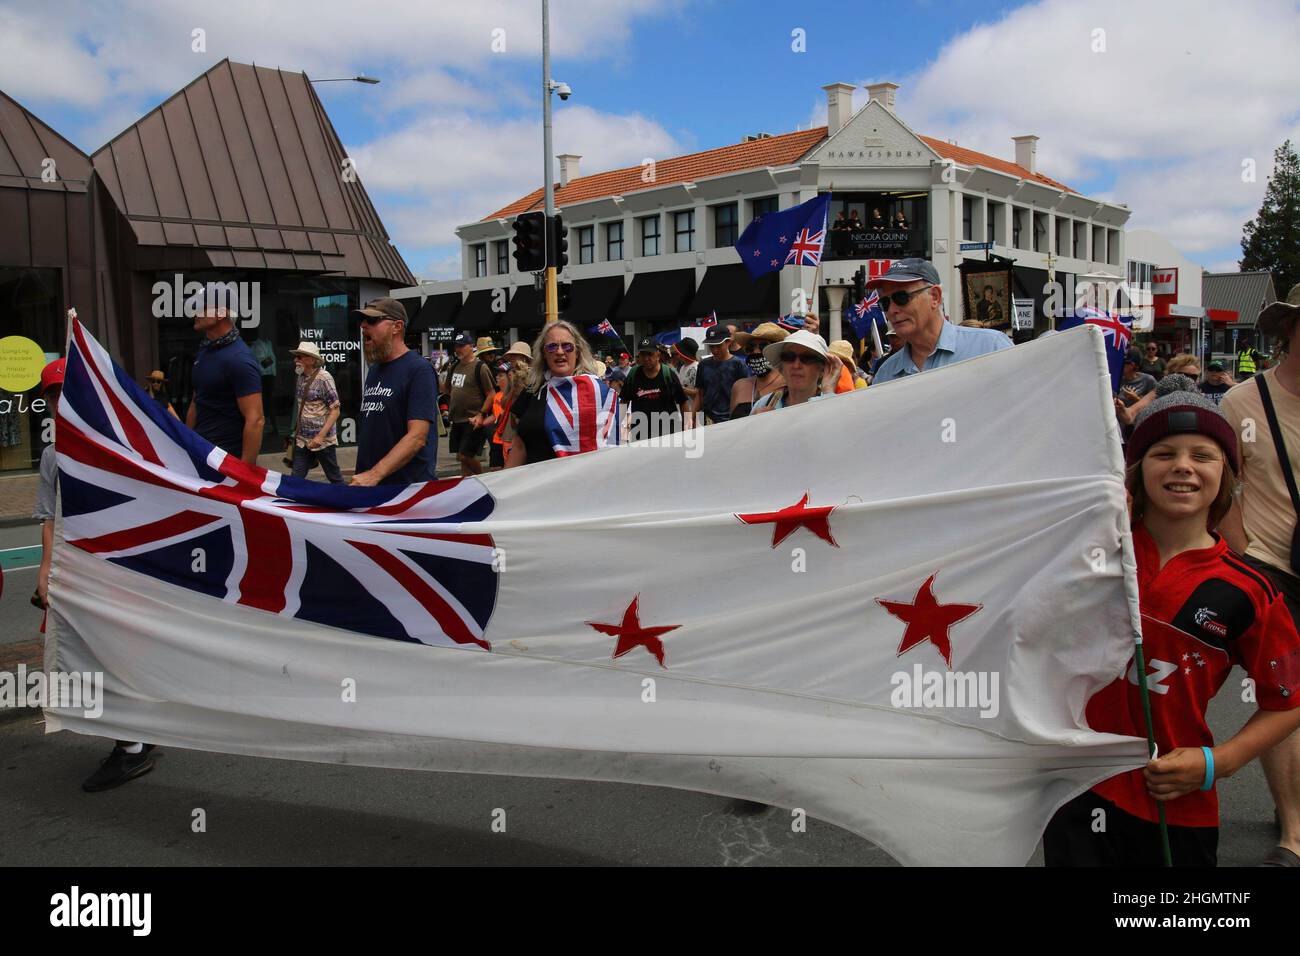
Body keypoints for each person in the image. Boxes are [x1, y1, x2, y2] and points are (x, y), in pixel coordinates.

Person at [1044, 379, 1300, 866]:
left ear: (1227, 474)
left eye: (1203, 455)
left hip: (1175, 806)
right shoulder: (1092, 552)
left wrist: (1220, 762)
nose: (1183, 466)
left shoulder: (1249, 590)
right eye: (1164, 453)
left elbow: (1289, 700)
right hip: (1075, 788)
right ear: (1137, 472)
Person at [35, 359, 162, 791]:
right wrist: (45, 569)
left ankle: (132, 745)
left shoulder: (117, 446)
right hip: (77, 571)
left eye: (63, 393)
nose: (57, 403)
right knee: (89, 655)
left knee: (113, 654)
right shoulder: (53, 455)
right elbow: (49, 517)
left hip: (119, 570)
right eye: (51, 395)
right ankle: (135, 737)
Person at [1220, 282, 1300, 866]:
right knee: (1286, 697)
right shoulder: (1244, 404)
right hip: (1274, 568)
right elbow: (1224, 489)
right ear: (1289, 332)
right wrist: (1248, 562)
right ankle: (1293, 830)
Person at [868, 258, 1011, 383]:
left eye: (901, 298)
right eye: (885, 303)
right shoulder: (885, 375)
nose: (892, 310)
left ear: (935, 297)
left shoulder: (991, 347)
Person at [505, 320, 619, 467]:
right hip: (533, 484)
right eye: (552, 347)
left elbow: (607, 450)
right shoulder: (534, 390)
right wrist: (502, 485)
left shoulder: (596, 392)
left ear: (577, 352)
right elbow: (520, 446)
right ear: (544, 353)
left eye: (567, 346)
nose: (559, 351)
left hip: (573, 484)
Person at [351, 297, 438, 487]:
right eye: (362, 321)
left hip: (406, 492)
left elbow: (417, 437)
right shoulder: (375, 369)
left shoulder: (419, 369)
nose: (364, 326)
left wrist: (374, 475)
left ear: (397, 327)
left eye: (372, 320)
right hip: (372, 489)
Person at [186, 287, 264, 463]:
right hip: (200, 454)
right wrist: (187, 443)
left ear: (221, 313)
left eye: (202, 307)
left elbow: (256, 420)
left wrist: (244, 474)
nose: (196, 312)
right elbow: (196, 401)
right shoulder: (205, 350)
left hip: (227, 461)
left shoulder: (240, 359)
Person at [288, 341, 343, 484]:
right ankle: (291, 505)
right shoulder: (300, 378)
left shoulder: (324, 378)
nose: (295, 360)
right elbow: (300, 407)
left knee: (334, 478)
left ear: (311, 360)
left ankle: (347, 503)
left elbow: (335, 411)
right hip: (302, 440)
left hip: (322, 442)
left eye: (299, 357)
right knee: (295, 479)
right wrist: (294, 432)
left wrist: (319, 437)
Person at [751, 330, 844, 412]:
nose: (796, 365)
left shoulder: (837, 406)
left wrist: (828, 392)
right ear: (781, 367)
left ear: (822, 369)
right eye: (789, 357)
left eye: (807, 358)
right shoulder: (764, 404)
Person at [446, 333, 497, 477]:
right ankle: (466, 486)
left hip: (472, 419)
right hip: (457, 419)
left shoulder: (480, 367)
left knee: (464, 455)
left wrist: (481, 414)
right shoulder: (454, 366)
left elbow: (491, 394)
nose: (458, 349)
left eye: (461, 346)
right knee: (462, 459)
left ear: (471, 347)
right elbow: (448, 389)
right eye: (456, 346)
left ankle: (483, 480)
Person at [619, 337, 689, 439]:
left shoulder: (668, 375)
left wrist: (687, 428)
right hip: (640, 435)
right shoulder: (633, 375)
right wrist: (617, 426)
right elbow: (624, 401)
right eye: (643, 354)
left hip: (668, 434)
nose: (646, 358)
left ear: (658, 355)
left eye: (650, 354)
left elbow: (683, 402)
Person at [694, 325, 750, 425]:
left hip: (732, 420)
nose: (715, 350)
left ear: (728, 342)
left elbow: (746, 397)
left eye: (718, 346)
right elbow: (699, 394)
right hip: (708, 420)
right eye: (711, 346)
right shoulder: (703, 365)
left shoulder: (739, 365)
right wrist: (690, 419)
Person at [730, 323, 788, 418]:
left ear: (776, 351)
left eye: (763, 347)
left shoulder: (789, 385)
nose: (756, 352)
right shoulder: (739, 386)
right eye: (751, 348)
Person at [1113, 350, 1160, 429]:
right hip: (1119, 425)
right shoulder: (1116, 380)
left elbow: (1157, 404)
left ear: (1132, 365)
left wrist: (1136, 398)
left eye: (1122, 363)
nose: (1117, 365)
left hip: (1139, 426)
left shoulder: (1148, 380)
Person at [487, 363, 511, 471]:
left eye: (501, 375)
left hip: (507, 440)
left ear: (509, 377)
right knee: (494, 468)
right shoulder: (497, 395)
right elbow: (494, 415)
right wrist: (481, 422)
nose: (497, 377)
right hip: (496, 439)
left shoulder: (511, 396)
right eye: (497, 375)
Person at [672, 336, 700, 410]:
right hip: (684, 408)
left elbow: (698, 393)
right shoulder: (683, 367)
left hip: (694, 410)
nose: (678, 355)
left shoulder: (696, 368)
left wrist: (680, 389)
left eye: (679, 352)